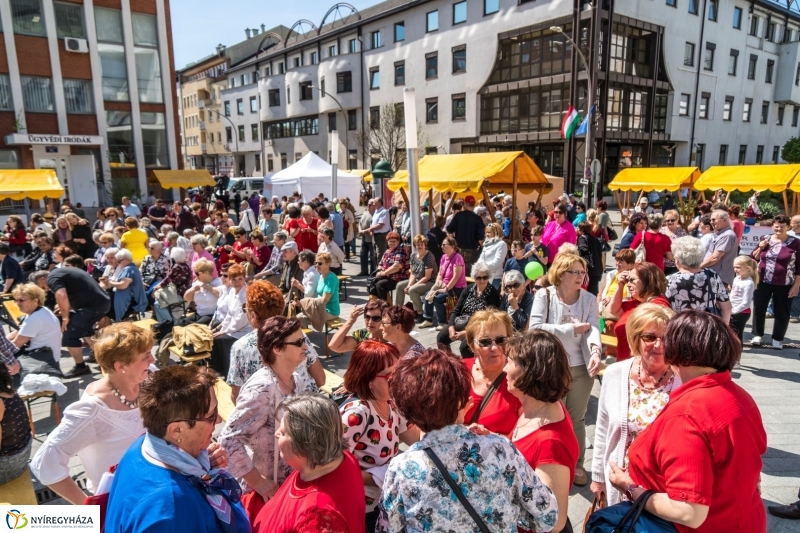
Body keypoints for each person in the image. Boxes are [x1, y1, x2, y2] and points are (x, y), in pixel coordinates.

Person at [608, 310, 766, 533]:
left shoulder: (686, 415)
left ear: (676, 351)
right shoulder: (739, 395)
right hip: (744, 520)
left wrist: (630, 487)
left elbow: (688, 512)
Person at [376, 348, 557, 533]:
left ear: (407, 412)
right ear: (463, 401)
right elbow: (547, 517)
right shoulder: (499, 448)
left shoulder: (401, 468)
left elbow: (387, 528)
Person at [104, 364, 248, 533]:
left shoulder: (143, 444)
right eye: (211, 415)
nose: (218, 421)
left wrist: (203, 465)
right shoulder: (171, 508)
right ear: (176, 430)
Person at [30, 323, 156, 503]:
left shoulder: (148, 377)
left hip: (154, 487)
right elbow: (44, 463)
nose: (152, 360)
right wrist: (89, 508)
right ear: (121, 366)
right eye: (146, 356)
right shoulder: (91, 411)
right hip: (122, 500)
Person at [219, 316, 319, 510]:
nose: (306, 346)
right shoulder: (262, 389)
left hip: (287, 487)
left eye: (304, 340)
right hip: (265, 496)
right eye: (299, 342)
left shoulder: (296, 380)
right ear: (278, 349)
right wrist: (259, 483)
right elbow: (228, 439)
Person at [590, 304, 680, 505]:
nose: (658, 345)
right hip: (617, 484)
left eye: (665, 338)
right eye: (649, 337)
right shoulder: (615, 373)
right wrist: (597, 476)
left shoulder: (683, 379)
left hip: (663, 490)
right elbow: (603, 427)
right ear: (635, 339)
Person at [529, 252, 601, 487]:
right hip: (551, 366)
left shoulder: (589, 299)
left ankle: (578, 463)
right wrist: (570, 329)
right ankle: (553, 462)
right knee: (552, 417)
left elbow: (592, 330)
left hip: (581, 366)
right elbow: (536, 328)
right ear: (561, 274)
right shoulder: (544, 295)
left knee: (577, 418)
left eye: (583, 272)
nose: (581, 276)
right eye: (575, 272)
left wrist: (597, 350)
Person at [253, 394, 366, 533]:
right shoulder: (344, 458)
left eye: (283, 432)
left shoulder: (319, 518)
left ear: (304, 444)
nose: (276, 434)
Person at [339, 341, 420, 530]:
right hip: (361, 508)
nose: (397, 379)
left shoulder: (391, 402)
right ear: (367, 378)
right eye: (389, 375)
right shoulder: (356, 414)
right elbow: (333, 468)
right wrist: (381, 474)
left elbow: (416, 438)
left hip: (384, 500)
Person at [503, 330, 578, 533]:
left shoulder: (550, 441)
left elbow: (554, 522)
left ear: (529, 372)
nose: (503, 369)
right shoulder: (536, 410)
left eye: (509, 362)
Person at [226, 281, 324, 402]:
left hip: (268, 415)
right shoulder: (297, 335)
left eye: (245, 308)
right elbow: (321, 379)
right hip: (306, 406)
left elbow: (237, 397)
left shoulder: (240, 347)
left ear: (253, 315)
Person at [458, 309, 521, 436]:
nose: (494, 348)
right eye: (485, 342)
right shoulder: (457, 371)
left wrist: (490, 437)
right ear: (471, 345)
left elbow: (526, 435)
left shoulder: (520, 378)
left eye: (501, 340)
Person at [48, 262, 111, 378]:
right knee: (85, 330)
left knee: (70, 334)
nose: (47, 289)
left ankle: (81, 367)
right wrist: (67, 306)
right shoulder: (65, 272)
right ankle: (102, 356)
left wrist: (65, 317)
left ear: (42, 278)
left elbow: (61, 295)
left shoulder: (52, 277)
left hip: (94, 306)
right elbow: (82, 290)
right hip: (99, 302)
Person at [750, 214, 800, 348]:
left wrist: (796, 285)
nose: (779, 230)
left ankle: (777, 338)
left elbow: (799, 266)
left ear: (788, 227)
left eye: (782, 227)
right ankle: (757, 335)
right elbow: (753, 258)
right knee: (759, 308)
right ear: (772, 226)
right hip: (763, 280)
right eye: (776, 227)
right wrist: (760, 247)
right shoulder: (765, 239)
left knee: (782, 311)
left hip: (785, 282)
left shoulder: (795, 242)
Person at [607, 262, 671, 362]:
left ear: (647, 280)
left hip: (643, 366)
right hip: (626, 363)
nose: (628, 284)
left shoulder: (658, 307)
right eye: (627, 280)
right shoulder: (637, 302)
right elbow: (613, 310)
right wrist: (620, 284)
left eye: (632, 280)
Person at [437, 262, 501, 357]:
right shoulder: (468, 289)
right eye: (479, 278)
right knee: (441, 338)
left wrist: (467, 332)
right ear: (474, 278)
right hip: (462, 322)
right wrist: (451, 327)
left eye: (485, 277)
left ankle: (469, 368)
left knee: (465, 347)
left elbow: (489, 321)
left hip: (479, 328)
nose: (482, 280)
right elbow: (456, 310)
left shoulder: (493, 294)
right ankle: (451, 363)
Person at [665, 236, 732, 322]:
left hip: (680, 329)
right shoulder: (711, 275)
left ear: (677, 260)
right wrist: (723, 329)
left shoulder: (670, 280)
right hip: (707, 328)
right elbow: (726, 308)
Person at [210, 263, 251, 377]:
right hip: (233, 328)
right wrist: (220, 327)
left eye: (240, 279)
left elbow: (241, 320)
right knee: (213, 337)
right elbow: (229, 314)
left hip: (244, 330)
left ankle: (228, 371)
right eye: (234, 279)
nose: (237, 282)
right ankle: (219, 370)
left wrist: (225, 331)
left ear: (244, 279)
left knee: (219, 339)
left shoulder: (246, 294)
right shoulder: (232, 291)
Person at [7, 283, 62, 363]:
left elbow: (16, 344)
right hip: (47, 356)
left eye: (21, 300)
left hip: (41, 360)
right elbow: (20, 331)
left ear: (35, 300)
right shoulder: (42, 310)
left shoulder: (35, 318)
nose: (18, 304)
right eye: (16, 300)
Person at [420, 236, 466, 329]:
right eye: (442, 244)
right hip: (444, 285)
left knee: (438, 298)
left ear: (452, 246)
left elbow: (456, 277)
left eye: (444, 245)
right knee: (428, 294)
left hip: (456, 288)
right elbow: (440, 274)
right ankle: (428, 319)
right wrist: (437, 285)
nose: (442, 246)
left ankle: (442, 322)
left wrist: (446, 288)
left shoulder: (458, 257)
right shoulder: (444, 257)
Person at [395, 234, 436, 318]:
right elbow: (413, 273)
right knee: (400, 285)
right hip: (418, 279)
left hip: (430, 282)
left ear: (425, 245)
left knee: (412, 290)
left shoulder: (429, 256)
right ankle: (397, 310)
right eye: (417, 244)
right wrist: (409, 285)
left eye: (421, 244)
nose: (419, 246)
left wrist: (412, 286)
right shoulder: (413, 255)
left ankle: (419, 313)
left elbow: (427, 277)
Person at [102, 249, 147, 322]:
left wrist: (109, 282)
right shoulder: (133, 268)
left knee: (104, 308)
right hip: (127, 298)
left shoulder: (129, 269)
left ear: (126, 260)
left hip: (129, 300)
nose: (118, 264)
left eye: (119, 261)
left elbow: (123, 285)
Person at [446, 194, 485, 274]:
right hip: (472, 251)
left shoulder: (458, 216)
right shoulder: (477, 219)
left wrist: (453, 240)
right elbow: (480, 237)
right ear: (474, 205)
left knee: (457, 273)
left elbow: (449, 229)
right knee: (470, 274)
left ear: (465, 204)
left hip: (458, 249)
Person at [151, 247, 192, 323]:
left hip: (178, 294)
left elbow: (167, 280)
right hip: (184, 293)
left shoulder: (177, 266)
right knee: (159, 299)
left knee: (158, 303)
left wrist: (156, 288)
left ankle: (168, 323)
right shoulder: (187, 266)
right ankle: (169, 320)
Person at [699, 209, 737, 286]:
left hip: (718, 279)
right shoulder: (722, 234)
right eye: (710, 220)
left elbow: (715, 258)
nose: (711, 222)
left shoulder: (727, 235)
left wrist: (699, 267)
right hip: (715, 278)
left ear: (724, 220)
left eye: (714, 219)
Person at [369, 232, 409, 302]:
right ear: (387, 242)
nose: (392, 243)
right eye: (390, 241)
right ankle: (378, 304)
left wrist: (384, 273)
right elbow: (380, 264)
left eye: (394, 241)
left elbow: (396, 266)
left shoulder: (400, 250)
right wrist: (380, 270)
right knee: (372, 283)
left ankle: (384, 306)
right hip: (388, 277)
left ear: (398, 242)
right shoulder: (387, 251)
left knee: (380, 285)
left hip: (398, 278)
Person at [183, 259, 222, 325]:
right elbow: (186, 299)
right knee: (179, 324)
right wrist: (192, 290)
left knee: (194, 328)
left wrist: (208, 286)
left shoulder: (218, 282)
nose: (195, 275)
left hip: (212, 315)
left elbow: (221, 294)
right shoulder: (197, 282)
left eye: (197, 273)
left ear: (206, 273)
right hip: (198, 314)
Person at [730, 256, 757, 343]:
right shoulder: (736, 279)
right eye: (734, 267)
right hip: (732, 309)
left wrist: (733, 311)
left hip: (741, 313)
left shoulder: (749, 283)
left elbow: (746, 303)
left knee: (737, 334)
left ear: (747, 268)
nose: (735, 269)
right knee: (730, 333)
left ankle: (738, 350)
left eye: (738, 267)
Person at [576, 221, 604, 295]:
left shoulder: (582, 238)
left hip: (590, 269)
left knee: (587, 292)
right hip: (598, 268)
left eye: (578, 228)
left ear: (582, 229)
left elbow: (583, 249)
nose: (577, 229)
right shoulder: (595, 239)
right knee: (594, 291)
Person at [478, 222, 508, 290]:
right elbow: (481, 258)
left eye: (489, 232)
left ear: (496, 232)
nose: (487, 234)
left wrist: (484, 267)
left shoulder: (501, 244)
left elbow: (498, 261)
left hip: (495, 276)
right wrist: (478, 267)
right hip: (484, 275)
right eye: (486, 232)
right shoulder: (487, 243)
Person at [660, 209, 687, 275]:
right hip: (661, 265)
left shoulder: (682, 232)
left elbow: (685, 248)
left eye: (672, 220)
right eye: (668, 220)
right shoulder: (661, 231)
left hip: (676, 265)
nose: (670, 222)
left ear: (677, 220)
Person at [358, 200, 377, 275]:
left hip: (371, 239)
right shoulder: (365, 213)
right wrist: (360, 230)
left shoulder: (375, 215)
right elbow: (360, 223)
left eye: (370, 205)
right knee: (363, 255)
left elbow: (373, 227)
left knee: (372, 256)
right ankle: (364, 271)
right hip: (364, 238)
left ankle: (372, 272)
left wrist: (363, 231)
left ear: (374, 206)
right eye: (368, 204)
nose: (368, 206)